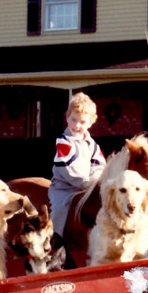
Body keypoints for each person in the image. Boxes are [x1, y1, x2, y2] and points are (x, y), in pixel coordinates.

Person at [48, 92, 106, 239]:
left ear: (90, 123)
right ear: (67, 117)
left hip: (86, 187)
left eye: (82, 122)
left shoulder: (91, 144)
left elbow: (98, 164)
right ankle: (55, 239)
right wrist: (85, 183)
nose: (77, 125)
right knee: (59, 210)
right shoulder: (64, 142)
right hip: (65, 187)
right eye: (73, 120)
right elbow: (68, 169)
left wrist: (95, 181)